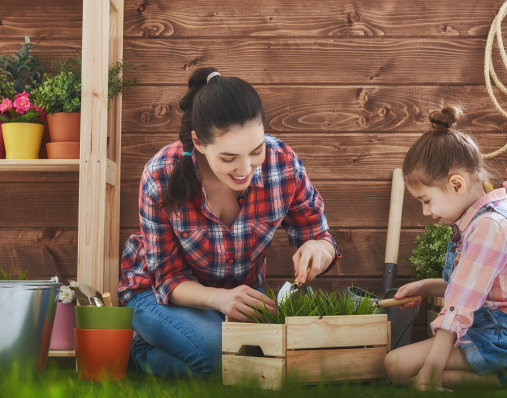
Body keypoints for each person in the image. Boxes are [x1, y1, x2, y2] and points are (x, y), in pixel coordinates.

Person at [118, 67, 340, 378]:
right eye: (228, 158)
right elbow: (166, 279)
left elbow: (319, 235)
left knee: (252, 364)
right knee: (218, 355)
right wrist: (220, 299)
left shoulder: (283, 163)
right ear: (198, 142)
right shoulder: (160, 174)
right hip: (156, 295)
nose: (245, 169)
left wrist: (319, 248)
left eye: (256, 151)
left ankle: (180, 349)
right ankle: (139, 350)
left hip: (235, 302)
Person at [384, 105, 507, 390]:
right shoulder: (479, 222)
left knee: (397, 365)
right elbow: (475, 290)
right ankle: (505, 382)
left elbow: (460, 304)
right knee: (397, 367)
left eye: (426, 200)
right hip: (484, 334)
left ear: (457, 184)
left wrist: (430, 372)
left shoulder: (488, 227)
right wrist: (426, 287)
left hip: (502, 342)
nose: (425, 212)